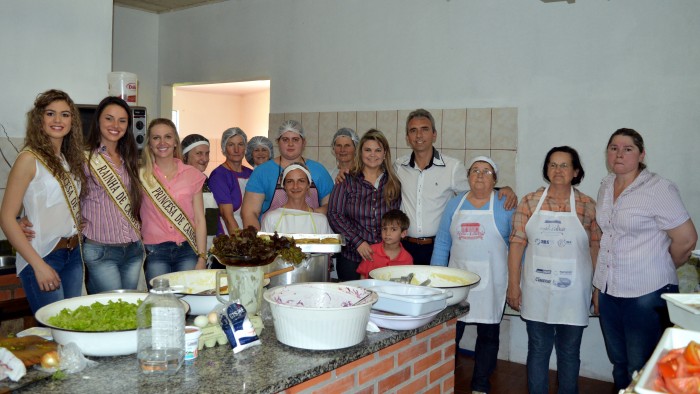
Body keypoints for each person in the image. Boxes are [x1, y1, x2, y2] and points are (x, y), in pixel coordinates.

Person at [593, 128, 698, 390]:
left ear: (641, 154)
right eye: (614, 147)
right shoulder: (606, 185)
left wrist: (660, 264)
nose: (619, 154)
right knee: (618, 362)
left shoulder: (658, 188)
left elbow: (686, 239)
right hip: (609, 290)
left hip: (647, 292)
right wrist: (598, 287)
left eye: (627, 148)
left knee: (642, 365)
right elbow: (608, 236)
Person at [506, 146, 601, 394]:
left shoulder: (588, 205)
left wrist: (597, 289)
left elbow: (596, 248)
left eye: (564, 165)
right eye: (553, 165)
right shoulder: (529, 201)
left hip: (574, 290)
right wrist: (513, 285)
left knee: (569, 352)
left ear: (576, 171)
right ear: (546, 169)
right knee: (538, 349)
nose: (558, 170)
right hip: (536, 288)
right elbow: (516, 245)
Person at [431, 156, 514, 394]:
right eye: (475, 170)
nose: (479, 175)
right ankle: (442, 377)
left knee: (488, 334)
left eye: (486, 171)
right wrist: (436, 280)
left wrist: (516, 282)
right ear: (468, 177)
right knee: (450, 332)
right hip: (457, 282)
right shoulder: (455, 203)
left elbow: (517, 245)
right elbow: (443, 241)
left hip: (492, 281)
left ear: (495, 180)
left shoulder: (504, 204)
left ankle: (480, 384)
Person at [394, 109, 517, 266]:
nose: (419, 135)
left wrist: (503, 189)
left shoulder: (452, 167)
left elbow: (476, 191)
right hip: (404, 247)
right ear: (407, 138)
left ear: (434, 134)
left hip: (438, 247)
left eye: (425, 129)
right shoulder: (398, 167)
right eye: (413, 130)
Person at [0, 89, 86, 313]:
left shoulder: (67, 159)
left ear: (72, 121)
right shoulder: (29, 159)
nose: (58, 120)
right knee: (53, 334)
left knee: (71, 330)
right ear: (40, 119)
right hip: (43, 256)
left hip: (73, 253)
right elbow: (7, 218)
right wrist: (39, 266)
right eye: (51, 113)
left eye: (65, 114)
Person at [81, 96, 144, 294]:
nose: (115, 125)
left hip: (133, 249)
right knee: (113, 310)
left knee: (130, 312)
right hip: (101, 250)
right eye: (109, 118)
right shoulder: (84, 158)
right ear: (98, 120)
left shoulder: (131, 158)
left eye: (122, 121)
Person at [327, 129, 402, 281]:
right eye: (368, 150)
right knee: (352, 300)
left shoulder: (393, 183)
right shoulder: (347, 180)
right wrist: (358, 242)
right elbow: (334, 214)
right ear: (360, 153)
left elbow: (395, 220)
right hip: (352, 258)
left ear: (385, 153)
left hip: (384, 257)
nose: (372, 154)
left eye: (378, 150)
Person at [139, 118, 207, 283]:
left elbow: (199, 219)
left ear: (175, 142)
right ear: (149, 143)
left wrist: (202, 257)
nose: (162, 142)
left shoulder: (192, 174)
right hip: (155, 251)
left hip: (187, 249)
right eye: (156, 138)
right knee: (159, 303)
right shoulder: (140, 174)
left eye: (167, 137)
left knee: (188, 302)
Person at [242, 120, 333, 230]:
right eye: (285, 140)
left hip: (311, 236)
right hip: (273, 239)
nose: (290, 144)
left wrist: (311, 214)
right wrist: (259, 243)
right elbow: (249, 213)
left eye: (295, 139)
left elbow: (331, 207)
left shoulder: (319, 171)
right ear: (278, 142)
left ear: (303, 142)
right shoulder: (262, 172)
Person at [261, 163, 332, 234]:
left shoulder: (320, 220)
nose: (295, 186)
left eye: (301, 181)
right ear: (284, 185)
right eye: (290, 181)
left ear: (308, 185)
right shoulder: (271, 218)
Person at [181, 134, 219, 264]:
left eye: (207, 153)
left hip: (207, 250)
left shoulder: (205, 181)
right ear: (185, 156)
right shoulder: (180, 182)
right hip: (187, 250)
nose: (204, 158)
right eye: (199, 153)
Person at [209, 127, 253, 234]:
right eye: (231, 145)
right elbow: (227, 217)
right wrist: (240, 244)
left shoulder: (251, 173)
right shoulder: (219, 175)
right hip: (228, 234)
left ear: (245, 148)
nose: (236, 150)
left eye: (240, 144)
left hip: (250, 230)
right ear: (224, 148)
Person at [356, 209, 412, 279]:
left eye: (393, 229)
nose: (387, 233)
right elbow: (363, 276)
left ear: (403, 233)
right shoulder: (371, 251)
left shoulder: (407, 258)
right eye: (384, 229)